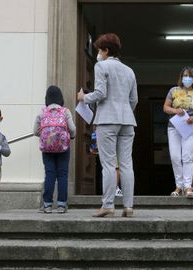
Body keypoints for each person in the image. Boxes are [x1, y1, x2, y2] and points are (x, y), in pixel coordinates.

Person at [77, 33, 138, 218]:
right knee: (127, 164)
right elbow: (133, 100)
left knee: (109, 164)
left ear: (106, 50)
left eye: (99, 50)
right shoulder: (129, 71)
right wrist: (125, 111)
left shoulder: (101, 66)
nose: (98, 53)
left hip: (107, 120)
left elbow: (100, 93)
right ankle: (128, 207)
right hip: (127, 120)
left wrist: (83, 98)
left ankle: (108, 206)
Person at [163, 67, 193, 197]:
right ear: (181, 77)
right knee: (175, 157)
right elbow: (165, 107)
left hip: (190, 127)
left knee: (187, 157)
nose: (187, 78)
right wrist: (175, 111)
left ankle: (188, 187)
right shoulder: (174, 91)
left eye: (189, 76)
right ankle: (178, 186)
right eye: (185, 75)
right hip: (174, 127)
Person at [34, 86, 76, 214]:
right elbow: (73, 129)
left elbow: (35, 131)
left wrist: (46, 137)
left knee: (50, 174)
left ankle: (47, 205)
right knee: (62, 175)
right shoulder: (65, 111)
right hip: (63, 148)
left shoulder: (42, 112)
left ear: (47, 98)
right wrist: (71, 136)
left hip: (47, 149)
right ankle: (62, 205)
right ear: (60, 98)